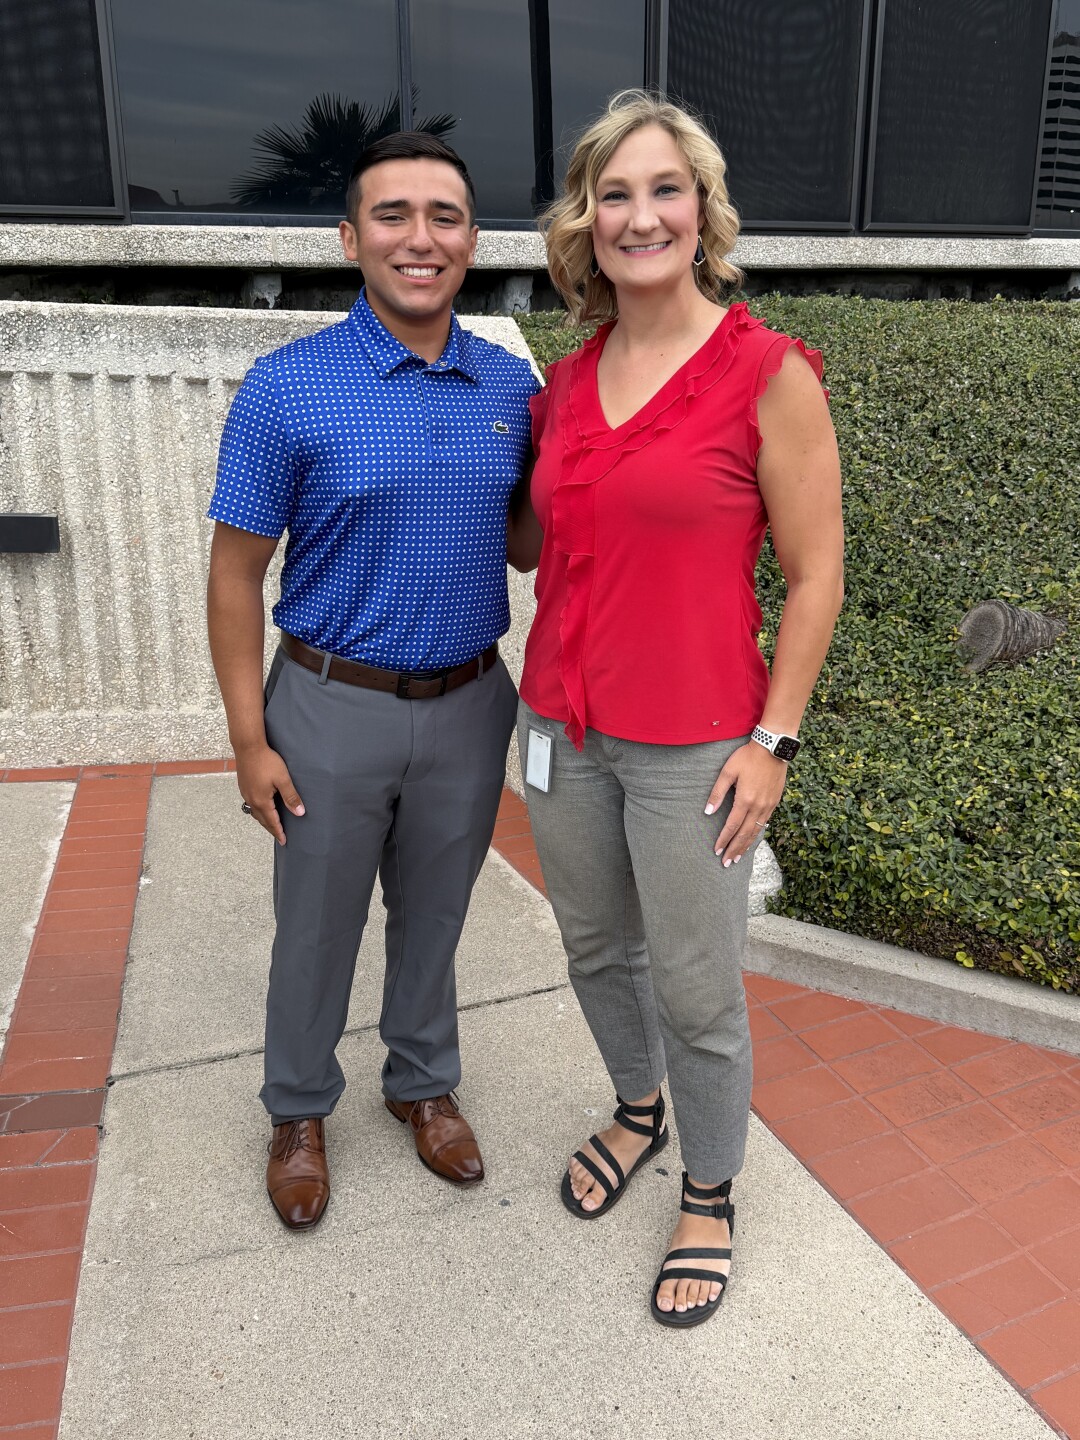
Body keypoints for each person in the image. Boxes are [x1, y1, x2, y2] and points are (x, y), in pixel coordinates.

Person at [508, 91, 844, 1326]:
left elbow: (817, 575)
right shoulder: (565, 378)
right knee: (595, 949)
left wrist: (775, 740)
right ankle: (637, 1109)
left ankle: (711, 1188)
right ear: (583, 223)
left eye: (664, 189)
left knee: (698, 983)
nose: (639, 214)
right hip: (559, 729)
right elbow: (537, 547)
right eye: (613, 194)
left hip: (697, 744)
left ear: (701, 213)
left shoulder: (767, 373)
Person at [207, 132, 538, 1230]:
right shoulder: (286, 388)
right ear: (351, 239)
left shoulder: (509, 381)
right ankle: (299, 1109)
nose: (420, 238)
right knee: (316, 922)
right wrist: (250, 737)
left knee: (437, 916)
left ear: (472, 241)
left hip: (469, 700)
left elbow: (532, 543)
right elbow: (235, 573)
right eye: (393, 215)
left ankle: (422, 1086)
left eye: (444, 216)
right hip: (328, 705)